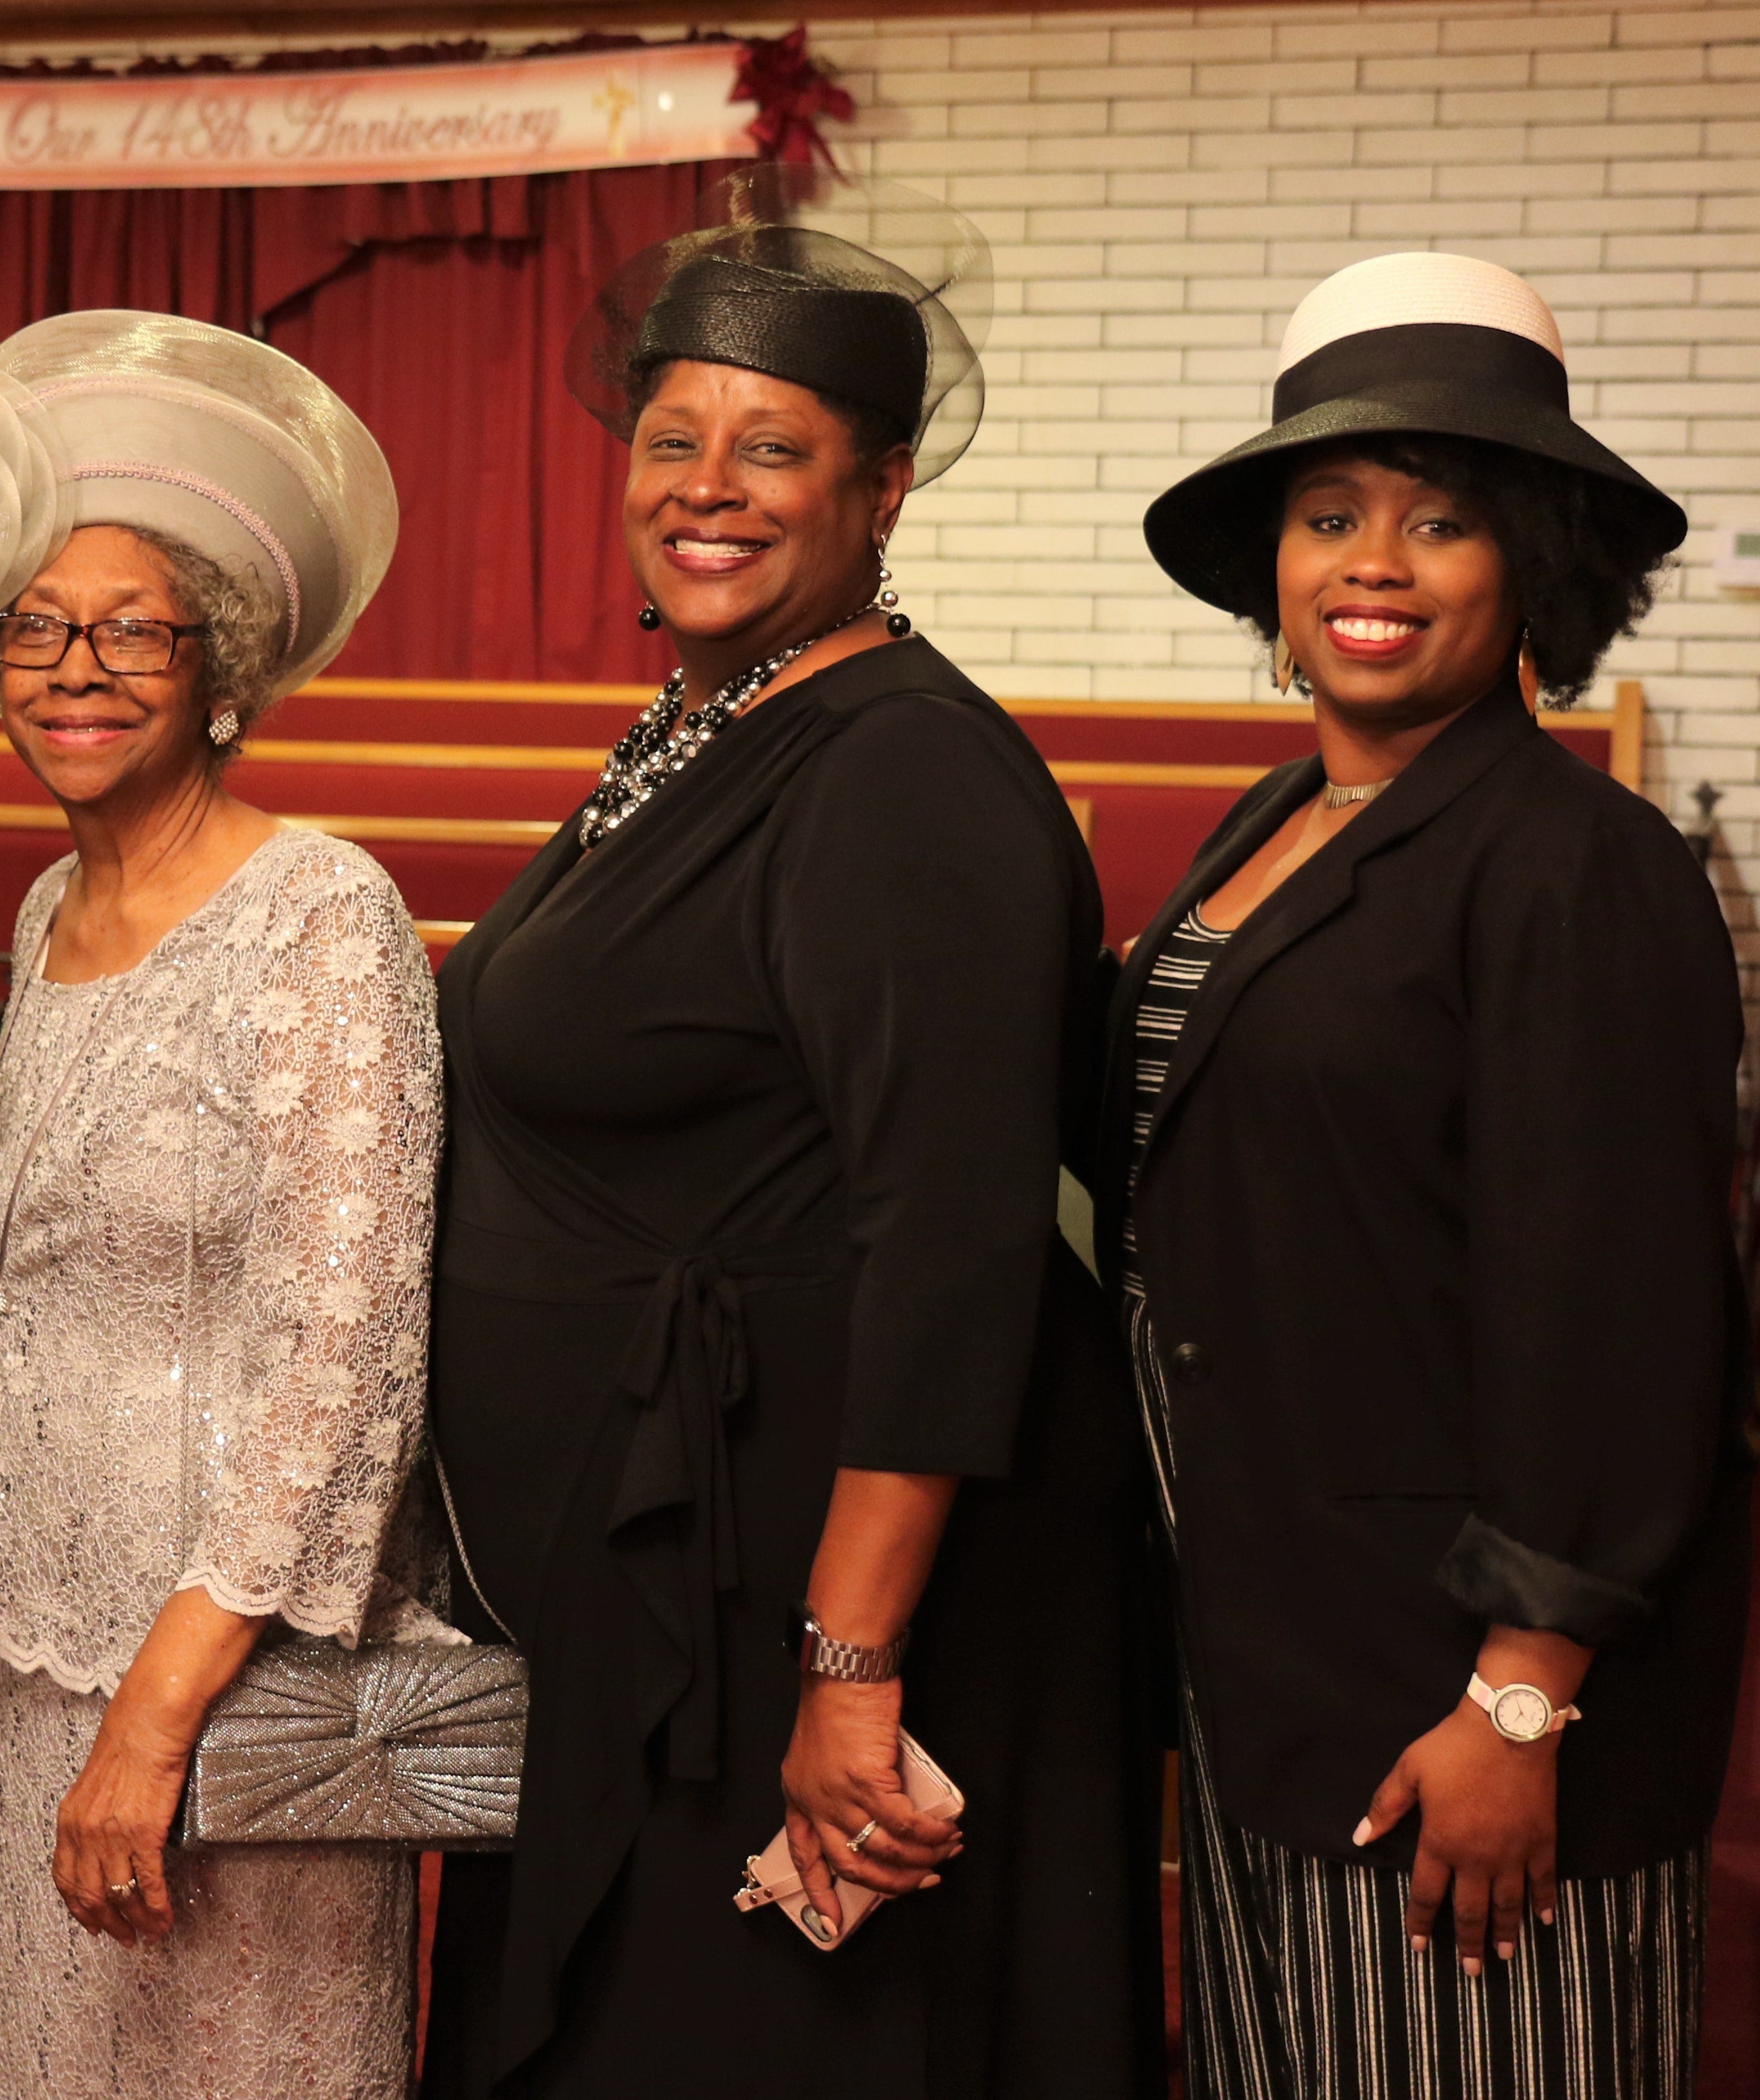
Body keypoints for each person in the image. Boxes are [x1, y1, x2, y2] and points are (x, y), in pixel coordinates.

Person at [414, 170, 1162, 2098]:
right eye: (673, 440)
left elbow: (955, 1245)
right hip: (676, 1572)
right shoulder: (711, 719)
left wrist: (851, 1671)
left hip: (810, 1580)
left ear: (884, 485)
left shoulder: (905, 772)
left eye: (776, 446)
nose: (709, 484)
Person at [1120, 251, 1748, 2099]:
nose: (1371, 563)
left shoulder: (1579, 864)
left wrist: (1520, 1689)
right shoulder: (1280, 816)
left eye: (1440, 520)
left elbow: (1625, 1313)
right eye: (1329, 515)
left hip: (1454, 1686)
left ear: (1534, 566)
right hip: (1272, 1639)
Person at [0, 311, 441, 2099]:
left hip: (234, 1674)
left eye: (130, 628)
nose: (74, 666)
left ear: (220, 662)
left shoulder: (320, 913)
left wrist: (163, 1709)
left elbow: (347, 1355)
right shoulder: (42, 915)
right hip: (45, 1655)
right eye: (33, 624)